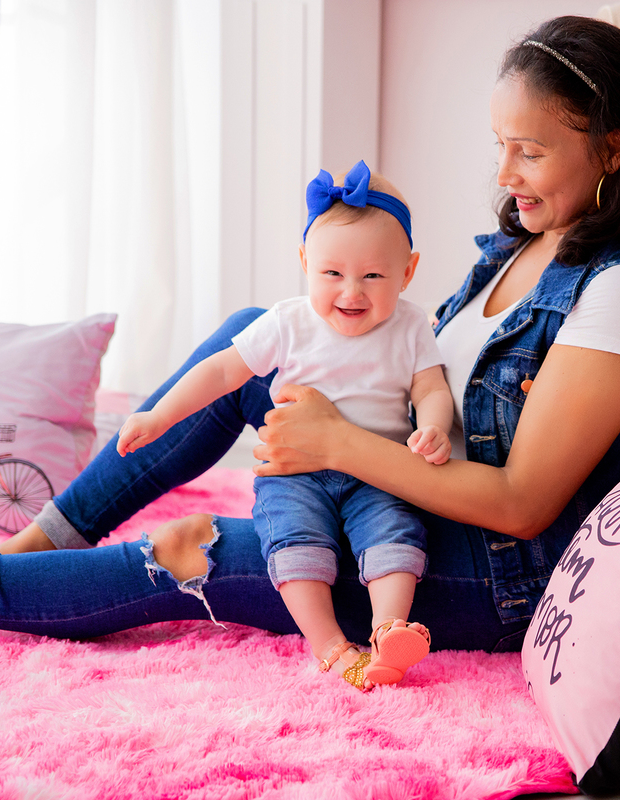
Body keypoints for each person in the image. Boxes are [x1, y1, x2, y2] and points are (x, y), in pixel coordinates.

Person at [0, 16, 620, 667]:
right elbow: (413, 364)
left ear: (613, 148)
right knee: (258, 334)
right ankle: (42, 540)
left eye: (529, 152)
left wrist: (339, 443)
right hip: (404, 486)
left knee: (188, 555)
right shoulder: (530, 244)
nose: (503, 174)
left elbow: (522, 505)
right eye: (499, 145)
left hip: (491, 573)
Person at [114, 161, 452, 690]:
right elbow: (223, 370)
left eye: (373, 276)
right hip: (296, 473)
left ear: (407, 272)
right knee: (295, 547)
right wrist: (160, 414)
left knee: (396, 536)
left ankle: (389, 629)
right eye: (333, 274)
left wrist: (432, 425)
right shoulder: (289, 321)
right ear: (304, 262)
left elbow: (431, 389)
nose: (352, 292)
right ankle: (332, 647)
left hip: (377, 470)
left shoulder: (411, 325)